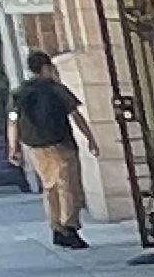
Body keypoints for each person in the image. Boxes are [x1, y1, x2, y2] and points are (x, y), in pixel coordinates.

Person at [9, 47, 94, 247]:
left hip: (35, 147)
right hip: (61, 143)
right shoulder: (56, 89)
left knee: (50, 187)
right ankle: (69, 227)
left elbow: (12, 120)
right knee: (69, 186)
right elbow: (75, 115)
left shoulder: (19, 92)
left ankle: (55, 226)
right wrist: (90, 138)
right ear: (46, 67)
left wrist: (13, 147)